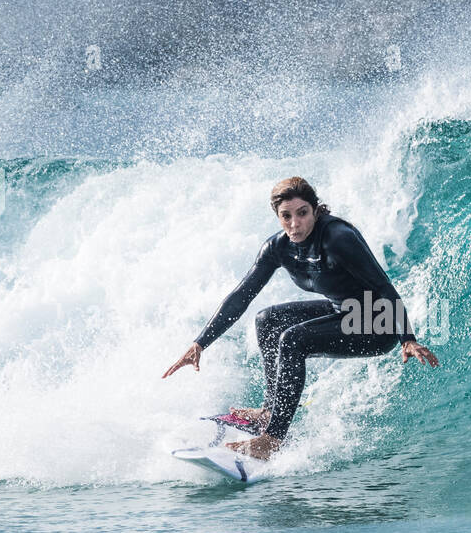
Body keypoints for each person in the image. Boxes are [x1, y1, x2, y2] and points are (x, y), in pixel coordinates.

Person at [163, 177, 439, 460]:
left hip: (376, 325)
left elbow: (383, 286)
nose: (294, 223)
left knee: (293, 339)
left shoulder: (338, 238)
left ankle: (273, 439)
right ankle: (269, 411)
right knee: (266, 319)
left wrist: (407, 338)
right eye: (286, 216)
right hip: (341, 311)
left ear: (315, 210)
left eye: (302, 213)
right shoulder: (278, 248)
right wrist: (200, 343)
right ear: (278, 216)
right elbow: (241, 296)